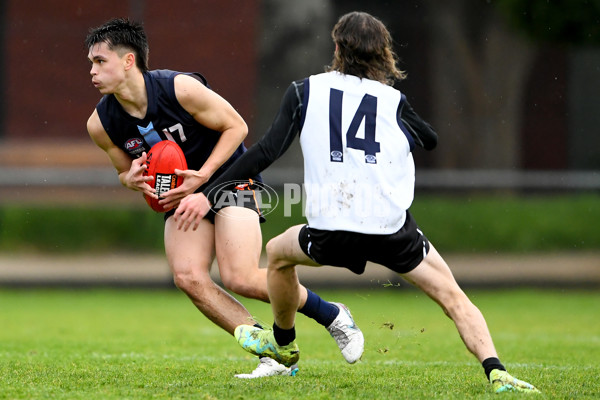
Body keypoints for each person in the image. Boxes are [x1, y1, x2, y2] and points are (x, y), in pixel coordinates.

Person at [174, 11, 540, 393]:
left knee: (277, 255)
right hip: (390, 228)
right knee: (453, 297)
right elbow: (429, 138)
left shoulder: (305, 90)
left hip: (331, 230)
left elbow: (266, 151)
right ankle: (497, 371)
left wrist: (209, 187)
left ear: (336, 48)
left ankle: (284, 349)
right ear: (383, 54)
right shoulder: (393, 100)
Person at [84, 17, 364, 379]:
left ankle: (333, 315)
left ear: (128, 61)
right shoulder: (100, 124)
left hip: (233, 180)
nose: (91, 71)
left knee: (241, 276)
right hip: (182, 195)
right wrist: (133, 179)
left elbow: (238, 127)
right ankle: (272, 354)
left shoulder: (179, 88)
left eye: (99, 61)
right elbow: (124, 172)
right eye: (90, 62)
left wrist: (204, 176)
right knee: (187, 276)